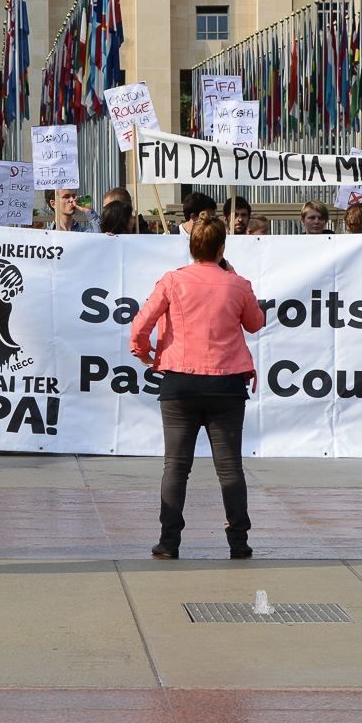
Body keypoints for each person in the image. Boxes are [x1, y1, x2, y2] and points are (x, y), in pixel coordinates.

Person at [130, 216, 264, 560]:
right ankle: (238, 542)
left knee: (175, 466)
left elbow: (140, 324)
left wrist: (143, 352)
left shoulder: (173, 281)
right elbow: (255, 323)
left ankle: (169, 542)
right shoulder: (237, 284)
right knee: (230, 466)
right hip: (226, 384)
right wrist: (231, 276)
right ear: (222, 248)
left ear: (191, 248)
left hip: (180, 382)